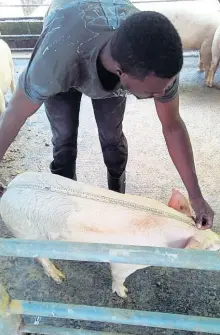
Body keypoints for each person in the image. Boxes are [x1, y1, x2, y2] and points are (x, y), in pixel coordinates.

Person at [0, 0, 214, 229]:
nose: (162, 94)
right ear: (121, 72)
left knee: (112, 140)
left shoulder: (157, 58)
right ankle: (62, 209)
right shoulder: (53, 63)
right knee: (64, 140)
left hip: (104, 53)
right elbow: (15, 113)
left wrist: (196, 196)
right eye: (153, 91)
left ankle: (118, 199)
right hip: (68, 45)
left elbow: (172, 125)